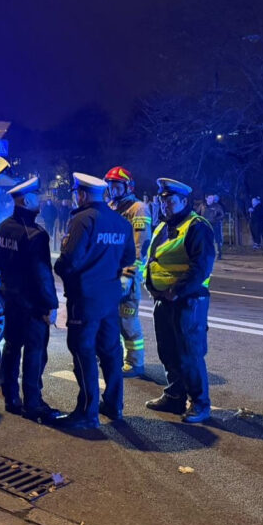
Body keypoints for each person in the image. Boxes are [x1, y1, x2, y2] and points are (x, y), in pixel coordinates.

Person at [53, 173, 135, 430]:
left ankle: (87, 411)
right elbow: (127, 258)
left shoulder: (82, 220)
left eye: (76, 192)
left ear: (82, 194)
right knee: (110, 352)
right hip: (110, 297)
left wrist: (60, 267)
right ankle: (113, 404)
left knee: (82, 350)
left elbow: (71, 260)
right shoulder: (120, 222)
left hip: (85, 297)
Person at [0, 178, 66, 424]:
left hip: (10, 301)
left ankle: (11, 397)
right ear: (26, 200)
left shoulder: (2, 228)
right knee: (35, 353)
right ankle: (33, 403)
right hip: (32, 305)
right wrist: (50, 306)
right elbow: (42, 274)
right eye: (37, 196)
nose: (41, 200)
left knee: (12, 348)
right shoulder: (35, 234)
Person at [145, 178, 216, 424]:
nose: (165, 205)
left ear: (184, 201)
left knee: (190, 353)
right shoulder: (163, 226)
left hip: (188, 301)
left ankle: (199, 403)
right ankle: (175, 395)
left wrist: (176, 290)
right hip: (164, 300)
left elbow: (201, 268)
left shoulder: (197, 226)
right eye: (162, 201)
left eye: (170, 201)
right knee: (168, 350)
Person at [104, 166, 152, 379]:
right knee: (109, 318)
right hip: (109, 274)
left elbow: (140, 245)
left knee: (127, 320)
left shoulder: (138, 209)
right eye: (111, 186)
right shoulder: (110, 207)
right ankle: (112, 355)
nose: (113, 190)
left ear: (128, 186)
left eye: (117, 186)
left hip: (127, 276)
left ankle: (135, 362)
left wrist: (129, 274)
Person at [202, 194, 225, 259]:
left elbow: (222, 215)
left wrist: (216, 219)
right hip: (205, 224)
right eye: (209, 198)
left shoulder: (217, 206)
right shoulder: (203, 206)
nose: (211, 199)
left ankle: (218, 254)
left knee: (216, 239)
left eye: (212, 198)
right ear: (206, 198)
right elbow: (197, 213)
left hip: (215, 225)